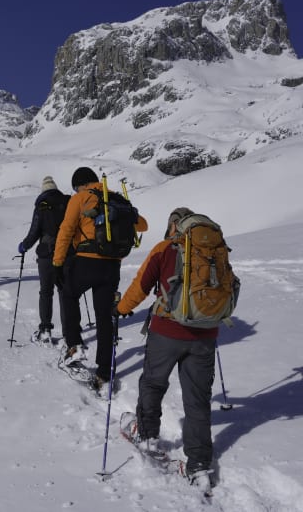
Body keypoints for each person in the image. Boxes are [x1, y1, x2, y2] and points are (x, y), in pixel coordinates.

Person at [114, 207, 216, 492]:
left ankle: (147, 435)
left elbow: (141, 286)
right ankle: (199, 465)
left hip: (167, 331)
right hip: (206, 334)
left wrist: (121, 309)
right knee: (198, 400)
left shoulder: (164, 249)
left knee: (153, 382)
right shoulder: (212, 248)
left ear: (174, 226)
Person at [52, 166, 148, 391]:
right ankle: (104, 372)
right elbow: (143, 225)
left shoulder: (81, 198)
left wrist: (57, 263)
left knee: (68, 293)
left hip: (86, 260)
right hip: (112, 266)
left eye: (76, 187)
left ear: (82, 184)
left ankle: (75, 345)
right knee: (105, 318)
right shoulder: (114, 198)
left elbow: (66, 230)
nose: (76, 191)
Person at [17, 176, 70, 343]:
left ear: (43, 190)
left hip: (46, 255)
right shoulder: (67, 202)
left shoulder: (42, 205)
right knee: (65, 293)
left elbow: (34, 231)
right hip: (67, 254)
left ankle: (45, 329)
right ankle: (69, 332)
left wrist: (24, 245)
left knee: (46, 292)